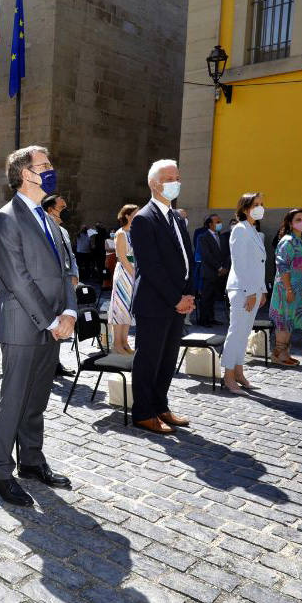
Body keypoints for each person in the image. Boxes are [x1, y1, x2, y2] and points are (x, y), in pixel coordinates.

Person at [0, 145, 77, 507]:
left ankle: (32, 461)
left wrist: (69, 313)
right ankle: (0, 474)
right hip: (25, 326)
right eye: (45, 165)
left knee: (37, 399)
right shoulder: (6, 218)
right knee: (14, 400)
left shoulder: (48, 219)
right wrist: (54, 319)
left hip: (53, 325)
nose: (52, 169)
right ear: (26, 174)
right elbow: (18, 279)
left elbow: (66, 272)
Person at [129, 159, 195, 435]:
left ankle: (160, 405)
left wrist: (190, 292)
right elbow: (151, 266)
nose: (175, 182)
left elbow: (187, 258)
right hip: (155, 303)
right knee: (149, 359)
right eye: (169, 178)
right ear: (154, 183)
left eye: (177, 177)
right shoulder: (144, 219)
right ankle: (144, 412)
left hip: (178, 302)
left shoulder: (177, 217)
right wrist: (175, 297)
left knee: (168, 359)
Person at [220, 193, 267, 393]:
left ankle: (239, 371)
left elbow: (259, 264)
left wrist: (262, 290)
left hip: (254, 290)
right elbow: (239, 263)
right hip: (241, 289)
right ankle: (228, 376)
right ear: (245, 207)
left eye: (262, 204)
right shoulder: (239, 229)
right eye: (256, 204)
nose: (260, 207)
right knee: (236, 332)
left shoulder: (253, 230)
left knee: (244, 333)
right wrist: (249, 292)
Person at [269, 209, 302, 365]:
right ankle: (278, 354)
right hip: (287, 287)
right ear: (290, 222)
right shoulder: (287, 241)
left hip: (301, 288)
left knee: (292, 320)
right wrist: (288, 289)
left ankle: (285, 353)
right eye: (298, 219)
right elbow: (282, 266)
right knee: (284, 320)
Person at [42, 194, 79, 377]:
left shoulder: (63, 231)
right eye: (63, 208)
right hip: (51, 287)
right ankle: (47, 363)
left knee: (61, 323)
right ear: (50, 209)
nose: (67, 211)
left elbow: (70, 257)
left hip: (65, 285)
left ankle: (55, 362)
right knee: (51, 324)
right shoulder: (44, 229)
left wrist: (74, 275)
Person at [108, 204, 139, 354]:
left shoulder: (135, 232)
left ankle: (125, 342)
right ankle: (117, 344)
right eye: (136, 213)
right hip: (124, 273)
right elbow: (121, 256)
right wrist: (133, 273)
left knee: (128, 309)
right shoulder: (121, 233)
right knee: (119, 308)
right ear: (127, 215)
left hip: (134, 272)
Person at [198, 214, 229, 326]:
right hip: (209, 272)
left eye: (220, 221)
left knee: (213, 298)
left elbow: (227, 254)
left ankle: (211, 318)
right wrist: (219, 267)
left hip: (220, 274)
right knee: (206, 297)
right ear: (210, 224)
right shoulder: (203, 237)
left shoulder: (222, 237)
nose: (220, 223)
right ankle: (203, 320)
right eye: (217, 222)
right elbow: (207, 255)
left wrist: (225, 267)